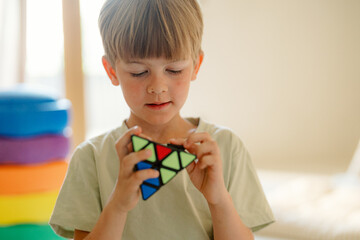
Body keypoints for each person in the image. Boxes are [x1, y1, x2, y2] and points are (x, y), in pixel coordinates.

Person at [49, 0, 274, 239]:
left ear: (196, 66)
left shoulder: (226, 149)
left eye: (174, 70)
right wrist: (117, 205)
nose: (157, 87)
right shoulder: (91, 158)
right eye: (139, 72)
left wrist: (219, 200)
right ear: (112, 71)